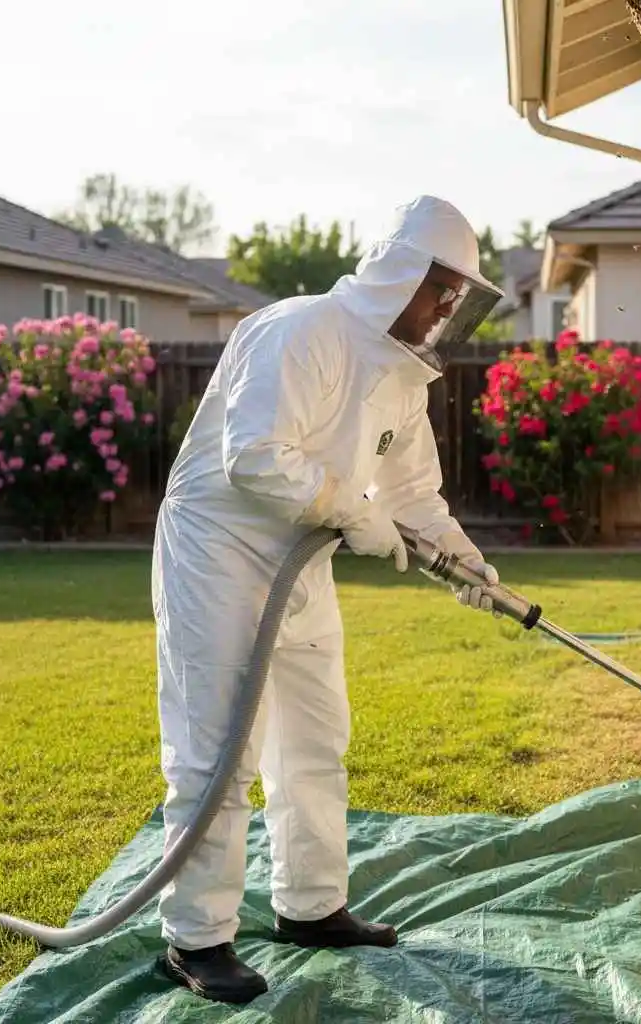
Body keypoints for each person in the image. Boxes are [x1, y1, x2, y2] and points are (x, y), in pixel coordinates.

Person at [151, 195, 505, 1004]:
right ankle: (195, 939)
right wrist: (356, 514)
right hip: (219, 556)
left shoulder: (403, 375)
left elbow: (413, 495)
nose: (448, 308)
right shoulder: (299, 331)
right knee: (217, 751)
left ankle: (310, 907)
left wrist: (466, 566)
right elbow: (255, 460)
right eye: (441, 288)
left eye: (460, 296)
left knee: (315, 737)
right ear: (398, 271)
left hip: (297, 566)